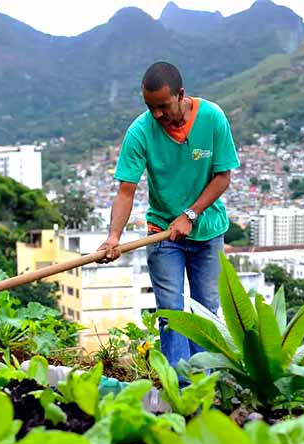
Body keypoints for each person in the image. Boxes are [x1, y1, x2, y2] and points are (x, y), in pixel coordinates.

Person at [97, 61, 240, 369]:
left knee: (205, 313)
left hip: (208, 230)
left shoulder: (212, 119)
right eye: (151, 107)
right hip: (163, 232)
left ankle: (205, 382)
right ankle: (181, 388)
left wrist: (190, 214)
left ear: (181, 95)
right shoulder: (140, 131)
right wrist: (113, 237)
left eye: (163, 106)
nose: (157, 115)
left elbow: (223, 177)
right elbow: (126, 191)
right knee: (171, 313)